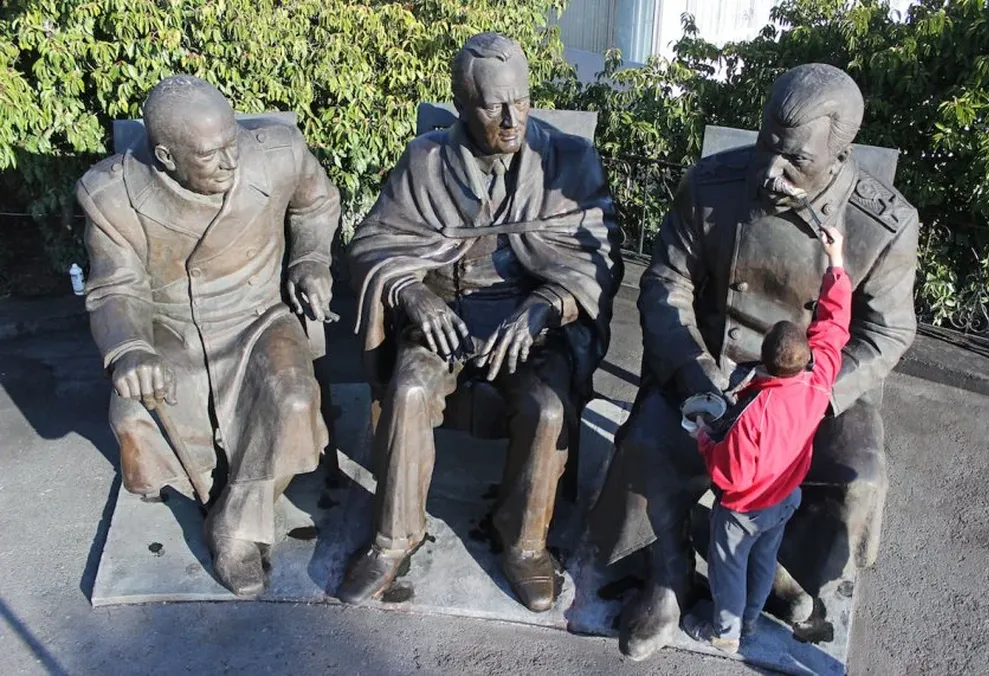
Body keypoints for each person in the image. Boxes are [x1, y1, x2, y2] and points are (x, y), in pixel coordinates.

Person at [588, 63, 919, 661]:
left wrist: (819, 393)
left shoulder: (881, 226)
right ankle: (666, 575)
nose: (770, 171)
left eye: (794, 160)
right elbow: (665, 282)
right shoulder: (712, 185)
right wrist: (692, 371)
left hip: (818, 385)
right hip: (713, 363)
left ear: (839, 153)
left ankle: (784, 576)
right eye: (767, 144)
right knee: (648, 442)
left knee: (859, 472)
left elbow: (888, 332)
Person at [340, 32, 622, 612]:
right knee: (412, 387)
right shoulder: (425, 161)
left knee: (546, 408)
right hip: (443, 313)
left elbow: (600, 250)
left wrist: (548, 306)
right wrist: (411, 293)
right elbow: (372, 243)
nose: (512, 117)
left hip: (530, 319)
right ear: (463, 105)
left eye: (520, 99)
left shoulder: (568, 160)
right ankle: (394, 538)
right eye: (494, 105)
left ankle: (523, 543)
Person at [78, 75, 341, 595]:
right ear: (166, 157)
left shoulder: (278, 152)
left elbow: (317, 205)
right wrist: (130, 349)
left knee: (291, 399)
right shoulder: (112, 194)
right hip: (170, 328)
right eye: (209, 155)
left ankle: (234, 526)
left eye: (231, 143)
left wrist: (310, 258)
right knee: (133, 412)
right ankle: (235, 495)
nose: (229, 162)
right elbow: (116, 288)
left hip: (259, 315)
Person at [682, 225, 850, 653]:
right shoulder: (819, 381)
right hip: (784, 498)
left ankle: (725, 633)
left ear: (765, 358)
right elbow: (834, 325)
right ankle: (752, 621)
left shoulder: (754, 413)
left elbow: (729, 473)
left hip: (744, 509)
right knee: (762, 561)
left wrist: (704, 436)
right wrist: (836, 261)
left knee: (729, 569)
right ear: (804, 359)